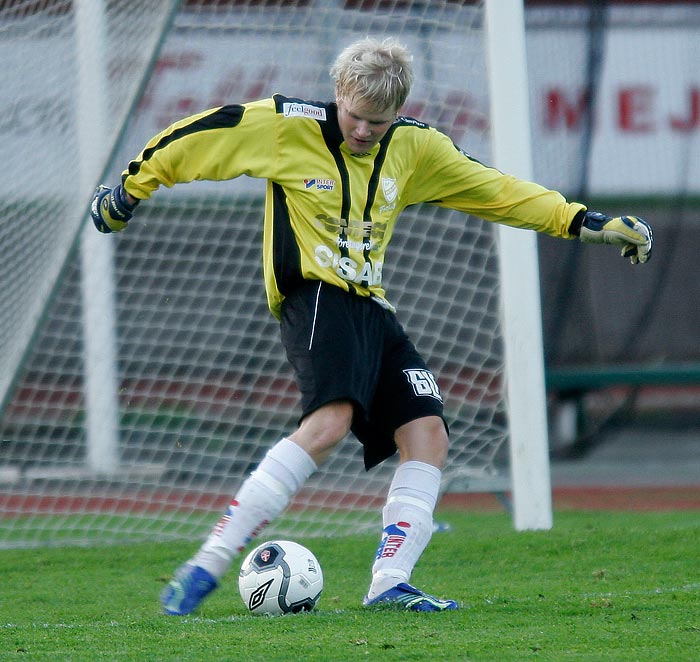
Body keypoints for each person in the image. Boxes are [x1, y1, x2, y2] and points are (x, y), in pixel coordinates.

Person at [91, 36, 653, 614]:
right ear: (339, 94)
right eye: (356, 116)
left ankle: (389, 583)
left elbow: (498, 192)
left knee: (428, 433)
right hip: (313, 297)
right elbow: (199, 136)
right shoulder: (286, 126)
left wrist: (587, 224)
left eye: (378, 123)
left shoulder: (416, 149)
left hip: (371, 307)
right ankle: (206, 564)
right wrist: (129, 190)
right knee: (330, 423)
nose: (363, 131)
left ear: (398, 114)